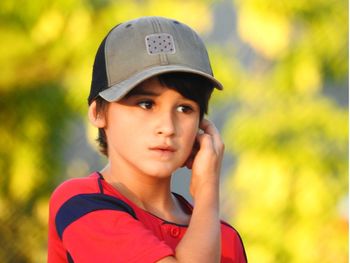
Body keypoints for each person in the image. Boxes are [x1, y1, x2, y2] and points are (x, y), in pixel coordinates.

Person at [48, 16, 247, 263]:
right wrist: (207, 189)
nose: (167, 127)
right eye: (146, 104)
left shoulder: (224, 240)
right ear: (98, 112)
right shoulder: (81, 204)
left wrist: (208, 193)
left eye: (185, 108)